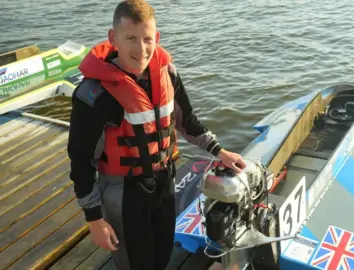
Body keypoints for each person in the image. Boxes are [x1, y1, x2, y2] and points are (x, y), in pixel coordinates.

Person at [67, 0, 247, 269]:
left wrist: (219, 152)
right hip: (122, 193)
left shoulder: (168, 73)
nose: (141, 49)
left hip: (164, 182)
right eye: (130, 38)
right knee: (135, 262)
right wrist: (94, 219)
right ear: (113, 38)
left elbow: (188, 123)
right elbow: (80, 162)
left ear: (157, 38)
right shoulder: (93, 95)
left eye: (147, 39)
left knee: (162, 254)